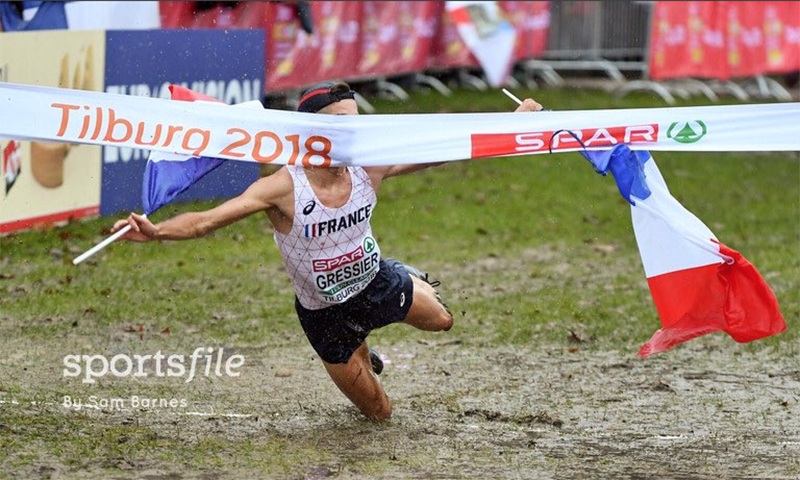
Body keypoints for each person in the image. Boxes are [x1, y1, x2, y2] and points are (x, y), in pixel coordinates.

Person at [112, 81, 543, 420]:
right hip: (325, 317)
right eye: (340, 124)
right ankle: (361, 347)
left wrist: (512, 121)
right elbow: (208, 220)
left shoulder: (369, 163)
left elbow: (444, 150)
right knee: (380, 413)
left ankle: (405, 278)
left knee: (444, 322)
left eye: (355, 123)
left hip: (377, 282)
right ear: (312, 132)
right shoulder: (281, 187)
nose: (352, 133)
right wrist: (157, 232)